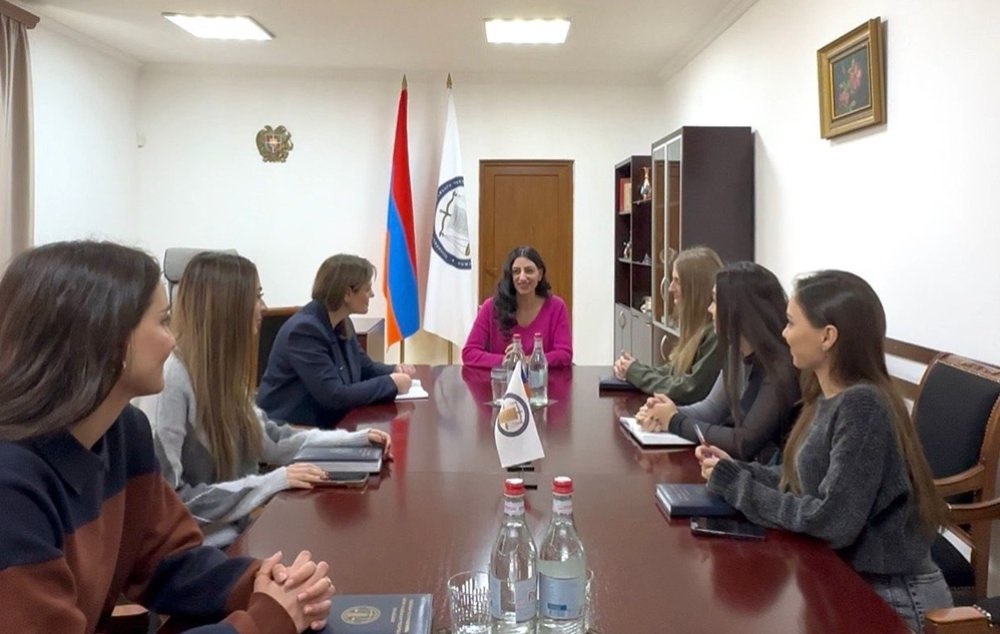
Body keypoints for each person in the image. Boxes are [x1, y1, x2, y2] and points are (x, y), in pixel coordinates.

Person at [0, 241, 336, 632]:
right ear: (109, 336)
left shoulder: (125, 432)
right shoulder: (11, 485)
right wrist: (266, 621)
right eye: (163, 321)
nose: (172, 340)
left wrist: (259, 583)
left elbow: (169, 563)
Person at [698, 270, 952, 631]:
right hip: (845, 576)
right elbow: (802, 482)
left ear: (828, 336)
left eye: (790, 323)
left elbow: (832, 522)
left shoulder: (862, 407)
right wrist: (738, 471)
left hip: (891, 596)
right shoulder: (826, 396)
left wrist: (738, 487)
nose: (783, 334)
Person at [137, 252, 392, 548]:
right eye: (256, 296)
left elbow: (272, 442)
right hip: (195, 551)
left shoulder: (223, 373)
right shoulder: (170, 381)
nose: (264, 307)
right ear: (228, 305)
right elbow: (169, 503)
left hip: (236, 534)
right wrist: (270, 482)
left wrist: (354, 441)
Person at [635, 262, 800, 462]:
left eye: (714, 301)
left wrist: (674, 420)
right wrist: (663, 412)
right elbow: (712, 410)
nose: (710, 309)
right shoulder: (736, 352)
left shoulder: (780, 368)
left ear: (738, 310)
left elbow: (744, 443)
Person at [257, 254, 415, 428]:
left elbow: (365, 368)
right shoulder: (304, 331)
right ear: (347, 294)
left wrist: (394, 370)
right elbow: (334, 396)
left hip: (327, 424)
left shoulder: (342, 322)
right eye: (367, 289)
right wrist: (391, 383)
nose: (372, 294)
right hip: (291, 430)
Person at [613, 246, 722, 403]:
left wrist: (635, 372)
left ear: (695, 288)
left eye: (677, 281)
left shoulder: (715, 334)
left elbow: (689, 389)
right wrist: (633, 368)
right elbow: (672, 371)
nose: (670, 288)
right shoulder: (699, 329)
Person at [462, 246, 572, 368]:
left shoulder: (556, 307)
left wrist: (530, 360)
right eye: (516, 271)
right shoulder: (491, 307)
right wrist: (504, 360)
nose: (522, 277)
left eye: (529, 271)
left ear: (540, 274)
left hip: (544, 378)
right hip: (501, 379)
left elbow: (564, 354)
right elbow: (469, 353)